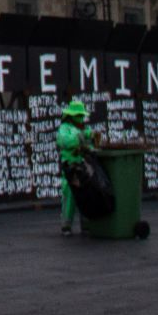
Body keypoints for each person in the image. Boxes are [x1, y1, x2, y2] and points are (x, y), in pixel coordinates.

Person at [57, 97, 93, 236]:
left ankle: (86, 223)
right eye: (78, 115)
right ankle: (66, 225)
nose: (80, 118)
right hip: (70, 166)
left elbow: (89, 144)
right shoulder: (64, 128)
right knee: (69, 194)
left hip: (82, 165)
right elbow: (64, 142)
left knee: (86, 195)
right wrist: (81, 137)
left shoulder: (83, 128)